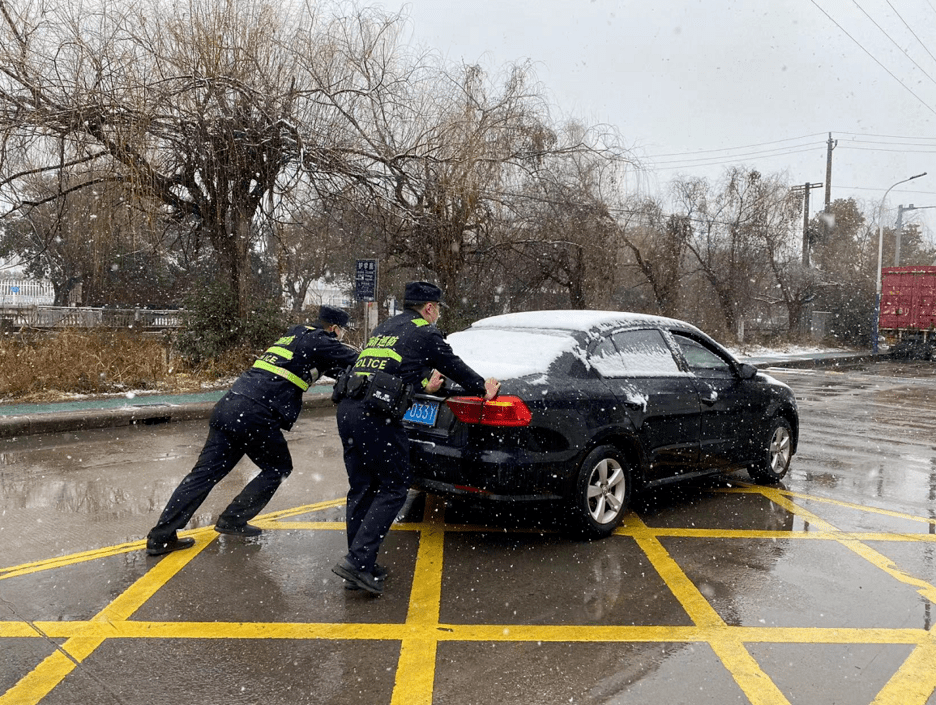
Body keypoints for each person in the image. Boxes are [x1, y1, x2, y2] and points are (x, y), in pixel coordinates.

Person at [145, 305, 358, 557]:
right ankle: (233, 519)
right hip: (256, 412)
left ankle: (161, 536)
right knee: (278, 468)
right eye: (342, 330)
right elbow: (360, 360)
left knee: (203, 475)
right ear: (334, 328)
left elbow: (329, 367)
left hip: (230, 405)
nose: (342, 334)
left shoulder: (295, 335)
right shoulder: (321, 340)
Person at [331, 281, 499, 594]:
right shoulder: (425, 330)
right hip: (375, 414)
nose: (436, 316)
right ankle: (357, 562)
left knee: (363, 486)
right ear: (429, 308)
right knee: (394, 486)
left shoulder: (387, 327)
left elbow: (396, 366)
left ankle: (361, 561)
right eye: (437, 310)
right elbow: (453, 366)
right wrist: (482, 388)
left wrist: (425, 385)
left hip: (349, 408)